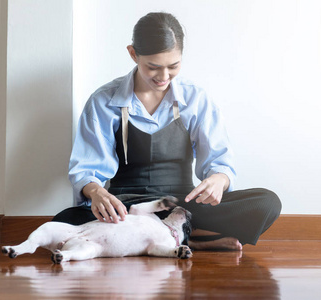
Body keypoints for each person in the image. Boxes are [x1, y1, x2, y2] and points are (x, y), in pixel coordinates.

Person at [53, 12, 281, 250]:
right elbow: (87, 169)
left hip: (182, 205)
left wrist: (218, 180)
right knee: (64, 221)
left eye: (173, 66)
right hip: (127, 206)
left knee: (266, 203)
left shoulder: (195, 99)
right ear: (133, 54)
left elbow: (220, 163)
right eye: (153, 67)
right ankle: (190, 238)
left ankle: (160, 237)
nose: (163, 77)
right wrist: (97, 193)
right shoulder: (104, 100)